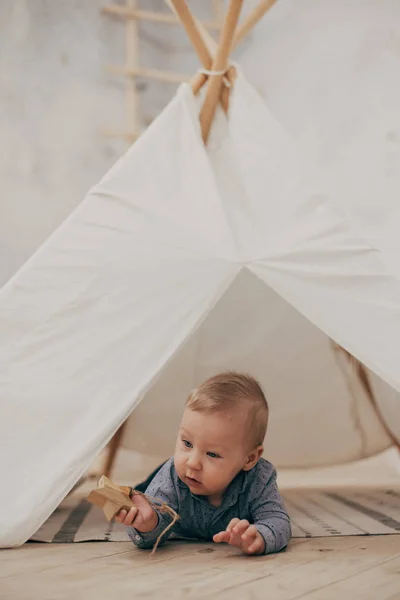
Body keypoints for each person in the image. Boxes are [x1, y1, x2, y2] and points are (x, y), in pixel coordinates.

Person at [116, 372, 291, 555]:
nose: (193, 463)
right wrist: (148, 522)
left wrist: (260, 536)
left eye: (212, 454)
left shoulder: (259, 479)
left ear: (250, 459)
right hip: (166, 475)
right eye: (187, 443)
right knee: (143, 494)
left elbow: (277, 520)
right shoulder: (172, 477)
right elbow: (151, 531)